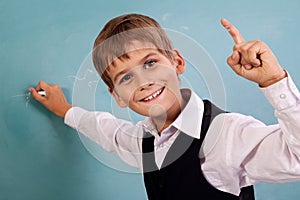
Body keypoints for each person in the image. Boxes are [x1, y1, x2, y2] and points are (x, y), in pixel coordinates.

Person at [29, 13, 300, 199]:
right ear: (117, 96)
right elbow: (106, 130)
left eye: (150, 63)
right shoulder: (143, 141)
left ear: (177, 62)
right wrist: (64, 109)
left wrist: (274, 81)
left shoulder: (226, 134)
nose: (144, 81)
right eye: (126, 77)